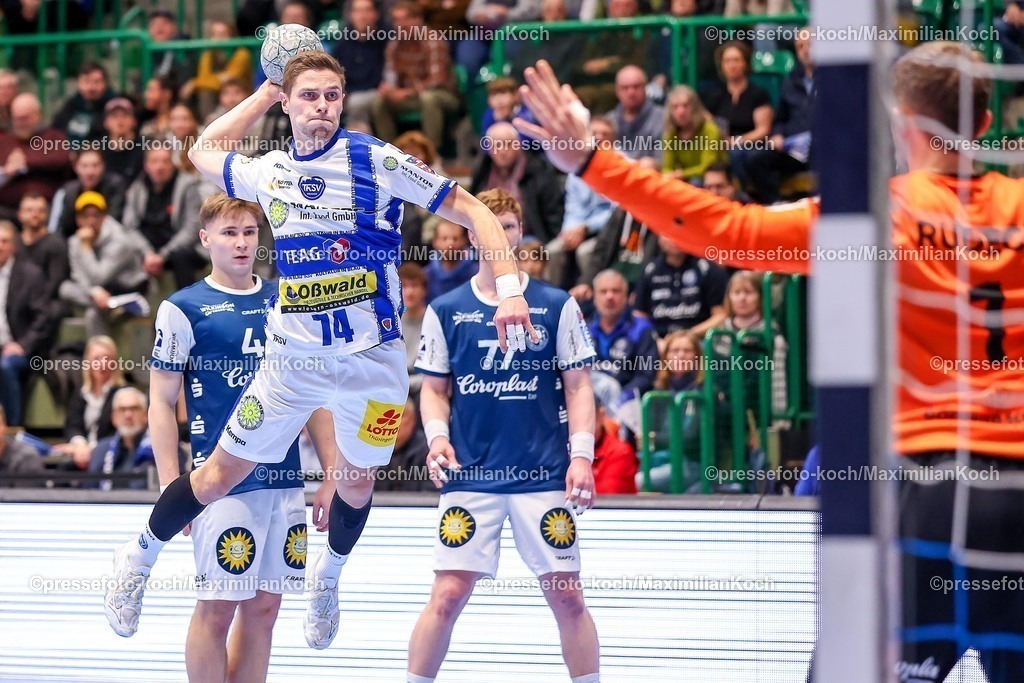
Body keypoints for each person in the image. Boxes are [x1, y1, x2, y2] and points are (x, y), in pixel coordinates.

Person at [513, 44, 1024, 681]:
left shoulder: (874, 219)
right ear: (984, 122)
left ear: (901, 121)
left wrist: (592, 161)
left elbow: (729, 230)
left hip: (920, 489)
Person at [105, 50, 534, 652]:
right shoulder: (270, 169)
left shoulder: (377, 160)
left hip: (373, 365)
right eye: (309, 95)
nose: (323, 107)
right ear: (289, 101)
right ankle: (138, 559)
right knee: (219, 475)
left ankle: (325, 579)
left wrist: (510, 288)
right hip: (291, 366)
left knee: (356, 486)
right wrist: (264, 91)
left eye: (332, 95)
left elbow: (471, 210)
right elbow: (203, 149)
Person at [409, 188, 599, 683]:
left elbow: (579, 386)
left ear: (519, 234)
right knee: (447, 594)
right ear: (472, 235)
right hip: (471, 474)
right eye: (490, 225)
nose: (501, 235)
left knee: (567, 595)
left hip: (543, 472)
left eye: (510, 226)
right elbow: (433, 390)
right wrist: (435, 439)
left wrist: (582, 457)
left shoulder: (556, 304)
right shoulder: (445, 309)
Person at [149, 193, 327, 681]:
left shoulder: (287, 299)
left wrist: (331, 474)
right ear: (205, 239)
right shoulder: (182, 308)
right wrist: (171, 485)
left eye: (250, 232)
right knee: (218, 604)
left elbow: (314, 394)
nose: (242, 242)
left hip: (284, 476)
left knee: (266, 606)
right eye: (230, 233)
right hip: (218, 480)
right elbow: (162, 402)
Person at [0, 219, 53, 426]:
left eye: (4, 241)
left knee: (4, 366)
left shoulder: (30, 275)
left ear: (14, 246)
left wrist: (22, 345)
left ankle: (13, 428)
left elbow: (43, 317)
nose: (0, 246)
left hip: (22, 350)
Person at [84, 387, 159, 491]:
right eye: (122, 409)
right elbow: (89, 492)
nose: (128, 415)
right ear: (113, 417)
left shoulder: (160, 448)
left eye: (134, 409)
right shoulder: (101, 450)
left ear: (146, 415)